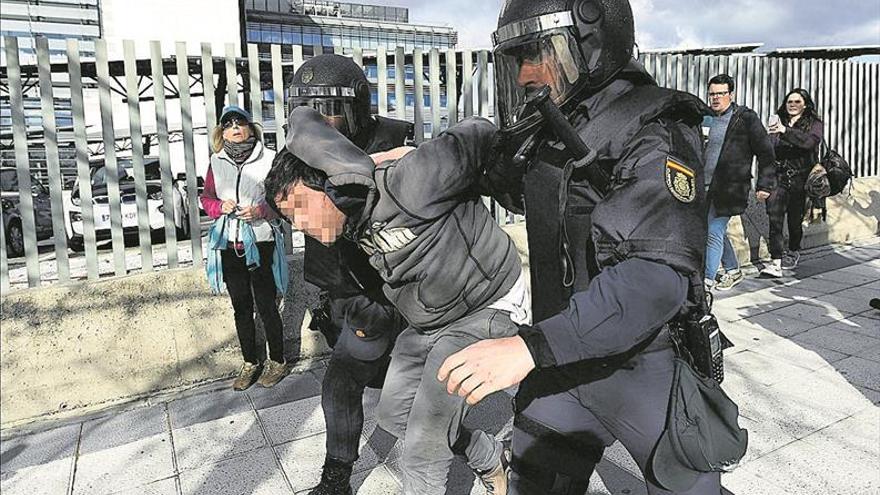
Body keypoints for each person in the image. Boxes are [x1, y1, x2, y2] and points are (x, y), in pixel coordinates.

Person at [438, 0, 736, 493]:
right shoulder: (557, 124)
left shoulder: (655, 128)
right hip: (563, 361)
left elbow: (656, 278)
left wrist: (530, 347)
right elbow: (510, 185)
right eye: (519, 59)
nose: (527, 73)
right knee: (534, 480)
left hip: (644, 365)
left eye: (541, 54)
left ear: (593, 44)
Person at [271, 106, 529, 495]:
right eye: (292, 219)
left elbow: (477, 132)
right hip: (432, 322)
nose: (302, 225)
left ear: (327, 182)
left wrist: (401, 156)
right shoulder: (351, 216)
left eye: (302, 207)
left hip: (486, 305)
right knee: (398, 418)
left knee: (421, 454)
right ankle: (492, 459)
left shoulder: (407, 183)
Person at [265, 53, 413, 495]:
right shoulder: (299, 151)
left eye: (328, 108)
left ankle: (336, 482)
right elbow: (275, 200)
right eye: (307, 109)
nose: (319, 121)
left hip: (380, 294)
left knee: (345, 383)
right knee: (398, 390)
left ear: (355, 108)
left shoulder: (394, 149)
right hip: (338, 291)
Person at [200, 105, 287, 391]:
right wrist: (219, 206)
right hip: (228, 242)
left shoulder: (269, 159)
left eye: (240, 122)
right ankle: (250, 361)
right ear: (221, 132)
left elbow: (282, 198)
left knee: (266, 305)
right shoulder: (216, 162)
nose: (235, 127)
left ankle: (278, 360)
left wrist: (261, 210)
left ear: (251, 128)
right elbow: (207, 198)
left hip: (260, 241)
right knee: (240, 307)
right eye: (228, 124)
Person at [702, 74, 776, 290]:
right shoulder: (705, 118)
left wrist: (765, 185)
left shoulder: (745, 118)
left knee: (714, 230)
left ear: (731, 94)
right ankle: (733, 270)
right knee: (712, 230)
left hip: (730, 187)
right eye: (712, 94)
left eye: (721, 93)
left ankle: (706, 280)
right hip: (703, 186)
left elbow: (766, 153)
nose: (716, 98)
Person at [762, 88, 824, 278]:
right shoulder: (777, 120)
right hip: (778, 178)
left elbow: (809, 143)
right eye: (790, 101)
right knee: (775, 219)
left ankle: (794, 249)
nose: (793, 105)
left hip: (800, 180)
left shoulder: (814, 124)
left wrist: (785, 131)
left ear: (805, 105)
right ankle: (776, 261)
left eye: (797, 102)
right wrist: (763, 184)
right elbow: (768, 151)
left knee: (794, 221)